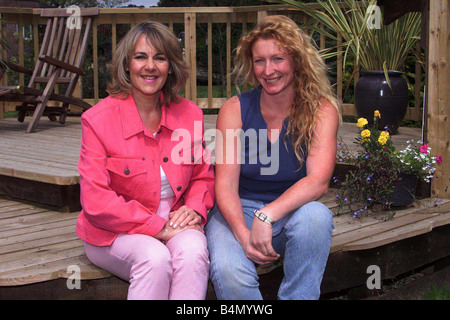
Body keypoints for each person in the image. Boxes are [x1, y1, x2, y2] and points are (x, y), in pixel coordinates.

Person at [76, 21, 215, 300]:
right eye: (141, 57)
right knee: (154, 259)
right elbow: (96, 201)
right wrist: (156, 227)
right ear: (127, 65)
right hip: (113, 231)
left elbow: (203, 176)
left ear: (170, 66)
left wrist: (195, 208)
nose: (150, 66)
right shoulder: (98, 120)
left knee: (194, 252)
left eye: (159, 58)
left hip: (174, 220)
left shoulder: (189, 115)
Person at [205, 15, 341, 300]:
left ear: (296, 61)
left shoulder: (321, 110)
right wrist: (244, 235)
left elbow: (318, 181)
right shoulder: (234, 109)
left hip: (290, 212)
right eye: (259, 61)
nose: (268, 70)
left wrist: (267, 216)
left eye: (278, 59)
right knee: (230, 272)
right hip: (236, 214)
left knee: (316, 217)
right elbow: (225, 186)